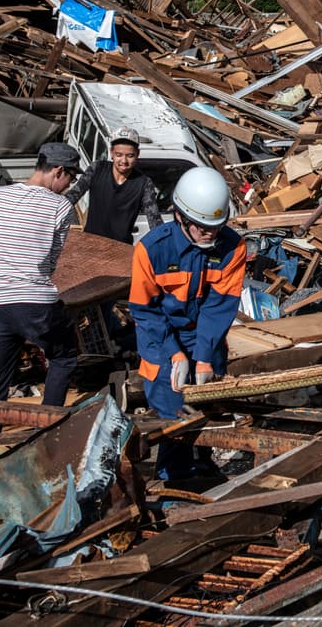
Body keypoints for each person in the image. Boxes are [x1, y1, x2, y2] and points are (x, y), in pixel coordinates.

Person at [129, 166, 245, 480]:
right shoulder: (151, 250)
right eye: (203, 228)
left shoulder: (232, 248)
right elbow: (144, 309)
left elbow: (218, 307)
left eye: (217, 227)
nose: (211, 234)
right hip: (160, 334)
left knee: (209, 403)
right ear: (181, 217)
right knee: (174, 413)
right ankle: (174, 479)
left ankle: (204, 462)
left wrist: (204, 356)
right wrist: (174, 352)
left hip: (204, 334)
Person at [0, 142, 82, 407]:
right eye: (69, 178)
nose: (68, 186)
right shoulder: (60, 207)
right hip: (35, 304)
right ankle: (48, 423)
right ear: (58, 171)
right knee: (64, 356)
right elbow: (50, 262)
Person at [64, 127, 162, 245]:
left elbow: (154, 220)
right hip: (89, 243)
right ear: (111, 153)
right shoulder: (97, 169)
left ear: (137, 154)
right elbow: (73, 196)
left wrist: (163, 242)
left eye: (130, 156)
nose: (124, 161)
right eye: (119, 155)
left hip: (120, 249)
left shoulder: (144, 183)